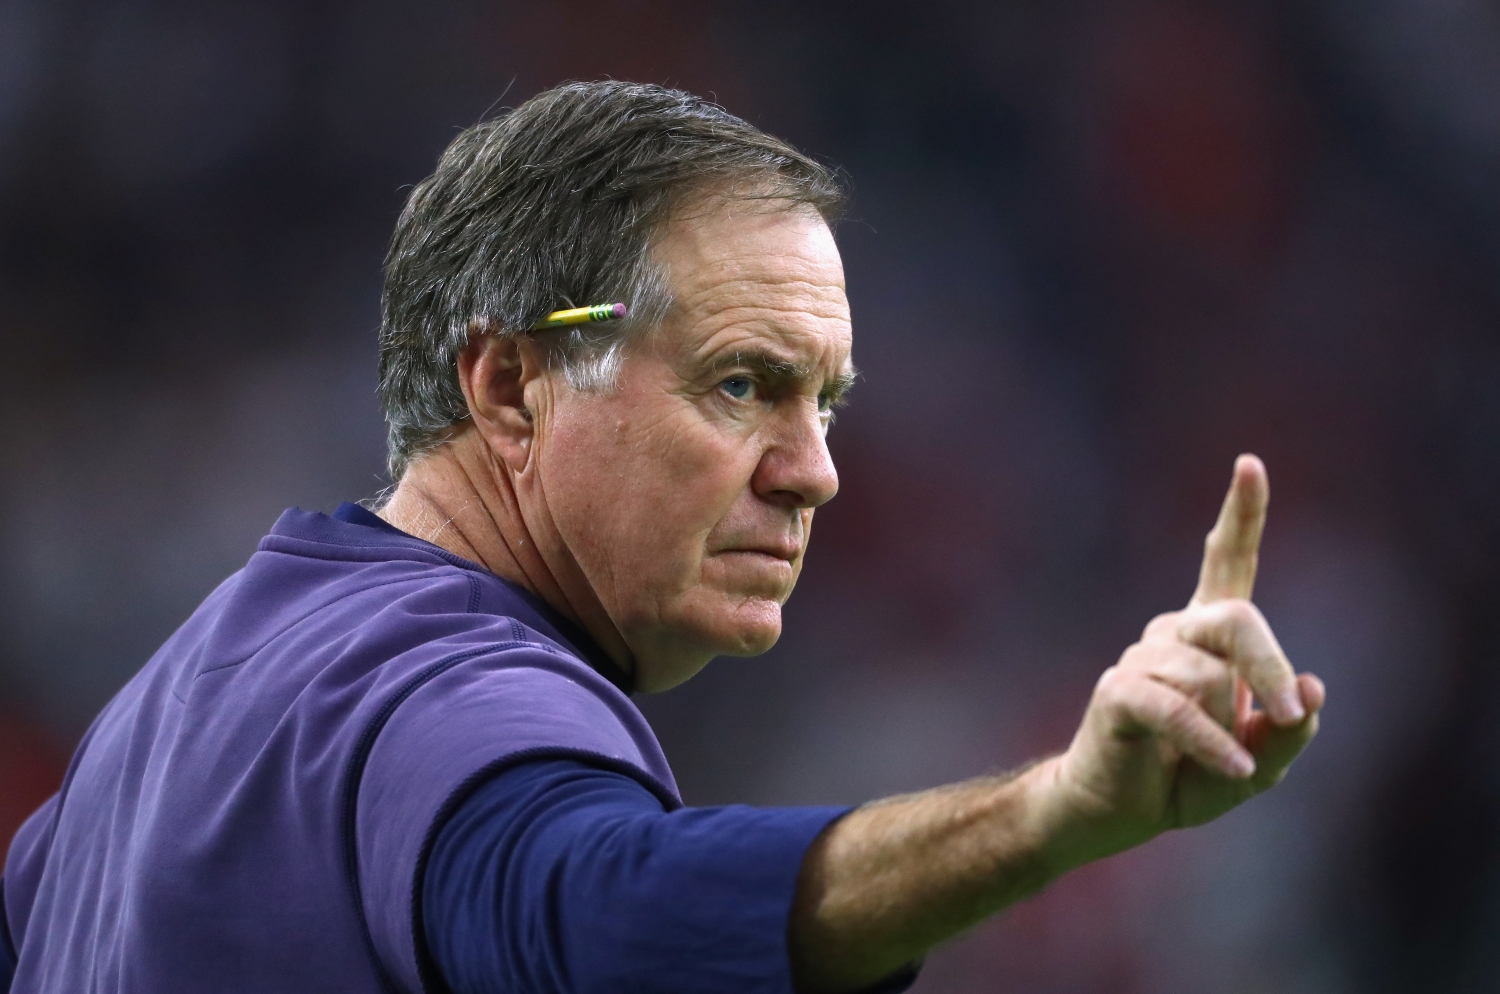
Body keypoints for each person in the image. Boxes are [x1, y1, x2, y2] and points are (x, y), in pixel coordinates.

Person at [0, 81, 1323, 994]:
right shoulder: (448, 695)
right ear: (512, 383)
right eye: (742, 382)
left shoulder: (150, 726)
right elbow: (599, 901)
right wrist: (1055, 811)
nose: (814, 474)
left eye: (828, 401)